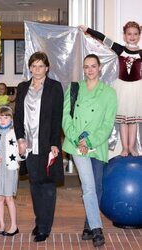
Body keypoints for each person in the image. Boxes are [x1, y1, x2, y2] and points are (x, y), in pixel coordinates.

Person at [62, 54, 117, 247]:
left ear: (100, 68)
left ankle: (87, 224)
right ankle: (97, 229)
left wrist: (90, 140)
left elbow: (108, 123)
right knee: (89, 186)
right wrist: (79, 140)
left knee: (97, 187)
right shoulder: (74, 88)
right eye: (86, 67)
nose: (90, 70)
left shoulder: (109, 93)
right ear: (83, 69)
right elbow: (66, 119)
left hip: (97, 145)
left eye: (93, 66)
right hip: (77, 146)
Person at [14, 51, 64, 242]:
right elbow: (18, 116)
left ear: (47, 68)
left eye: (41, 65)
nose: (37, 69)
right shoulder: (23, 87)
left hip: (47, 144)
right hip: (28, 145)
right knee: (35, 185)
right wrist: (20, 139)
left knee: (48, 185)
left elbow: (56, 117)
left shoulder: (54, 87)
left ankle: (45, 227)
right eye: (34, 66)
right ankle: (40, 220)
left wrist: (54, 142)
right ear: (30, 68)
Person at [79, 22, 142, 157]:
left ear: (139, 36)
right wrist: (87, 29)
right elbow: (103, 38)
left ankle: (132, 147)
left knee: (134, 121)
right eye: (129, 34)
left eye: (135, 34)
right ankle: (125, 148)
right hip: (122, 87)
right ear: (124, 36)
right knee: (123, 121)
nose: (132, 36)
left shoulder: (141, 53)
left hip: (137, 89)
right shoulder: (120, 49)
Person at [0, 105, 26, 237]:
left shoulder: (16, 133)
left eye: (6, 117)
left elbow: (22, 152)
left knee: (9, 198)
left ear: (11, 119)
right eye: (0, 118)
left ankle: (14, 225)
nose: (3, 120)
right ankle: (1, 225)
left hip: (10, 169)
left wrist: (22, 153)